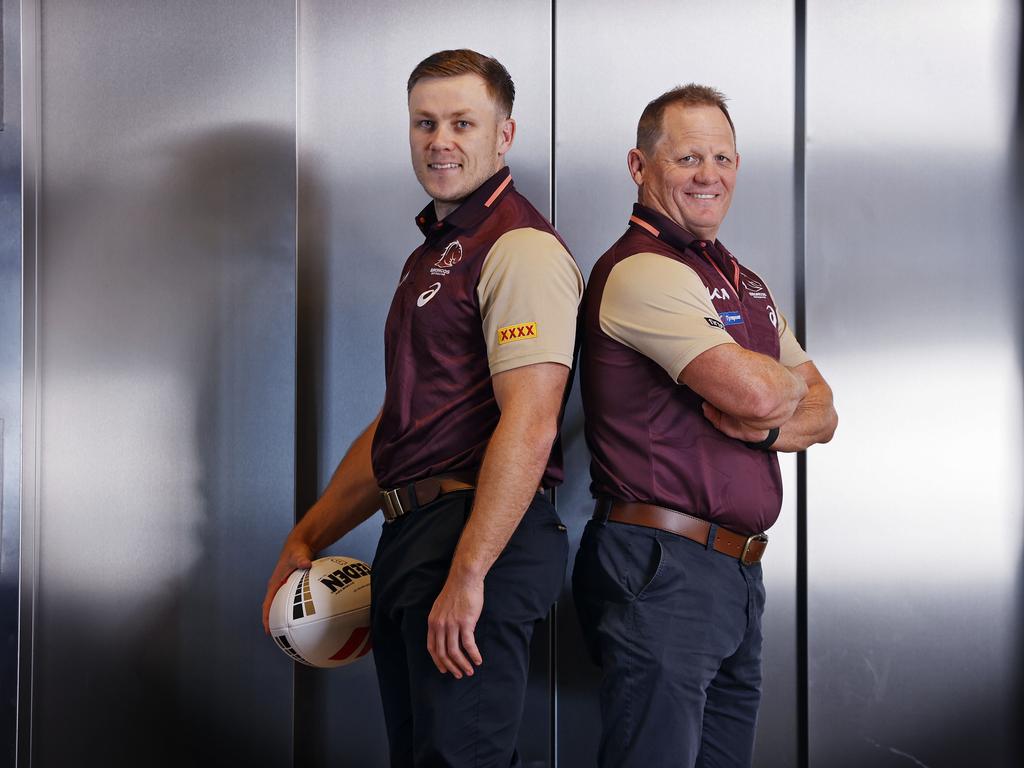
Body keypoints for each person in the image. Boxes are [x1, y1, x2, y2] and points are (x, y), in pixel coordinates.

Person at [262, 49, 583, 767]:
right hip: (417, 539)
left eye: (463, 123)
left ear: (504, 135)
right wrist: (307, 535)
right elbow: (401, 426)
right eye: (425, 123)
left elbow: (530, 421)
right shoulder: (433, 257)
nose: (441, 140)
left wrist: (468, 575)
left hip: (477, 538)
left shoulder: (519, 246)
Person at [572, 84, 838, 768]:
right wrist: (778, 393)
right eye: (688, 157)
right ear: (640, 167)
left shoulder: (742, 281)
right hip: (664, 567)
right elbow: (756, 391)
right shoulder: (641, 270)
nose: (709, 175)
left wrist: (774, 426)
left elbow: (826, 409)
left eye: (722, 157)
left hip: (735, 573)